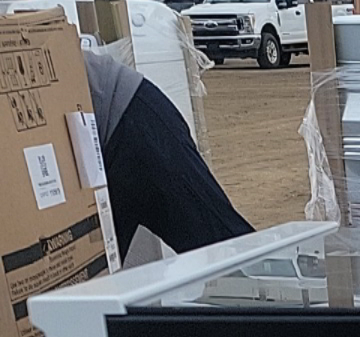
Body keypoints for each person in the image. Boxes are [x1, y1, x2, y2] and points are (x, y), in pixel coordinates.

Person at [82, 48, 252, 260]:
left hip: (132, 119)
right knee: (91, 270)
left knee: (223, 248)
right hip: (93, 163)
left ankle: (279, 277)